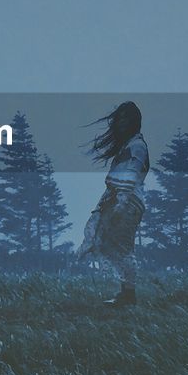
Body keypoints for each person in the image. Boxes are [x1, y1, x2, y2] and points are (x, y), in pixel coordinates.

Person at [78, 101, 149, 307]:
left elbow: (133, 173)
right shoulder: (130, 146)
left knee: (121, 246)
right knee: (110, 244)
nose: (120, 124)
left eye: (125, 120)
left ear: (134, 122)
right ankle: (126, 293)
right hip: (119, 199)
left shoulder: (136, 146)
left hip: (128, 201)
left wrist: (122, 201)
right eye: (119, 120)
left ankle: (129, 295)